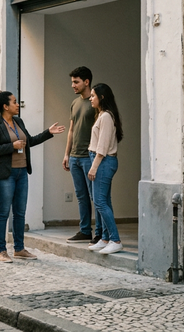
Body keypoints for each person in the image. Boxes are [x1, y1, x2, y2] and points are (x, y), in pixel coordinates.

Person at [0, 89, 65, 263]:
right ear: (5, 106)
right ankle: (1, 251)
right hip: (3, 174)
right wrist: (11, 146)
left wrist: (48, 132)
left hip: (21, 172)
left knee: (20, 212)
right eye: (14, 102)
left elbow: (29, 141)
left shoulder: (18, 121)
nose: (17, 104)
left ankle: (19, 249)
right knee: (3, 212)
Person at [61, 66, 101, 245]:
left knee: (96, 196)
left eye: (76, 82)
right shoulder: (74, 103)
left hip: (89, 156)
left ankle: (99, 232)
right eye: (72, 82)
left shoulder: (95, 104)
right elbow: (71, 130)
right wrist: (66, 154)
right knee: (81, 196)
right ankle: (85, 231)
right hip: (75, 157)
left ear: (86, 82)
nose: (72, 85)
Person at [86, 83, 124, 255]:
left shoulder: (106, 117)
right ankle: (105, 238)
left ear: (101, 97)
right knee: (104, 200)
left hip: (103, 160)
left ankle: (115, 240)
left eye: (93, 95)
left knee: (100, 201)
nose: (90, 98)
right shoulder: (102, 115)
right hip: (101, 160)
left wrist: (94, 167)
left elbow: (103, 146)